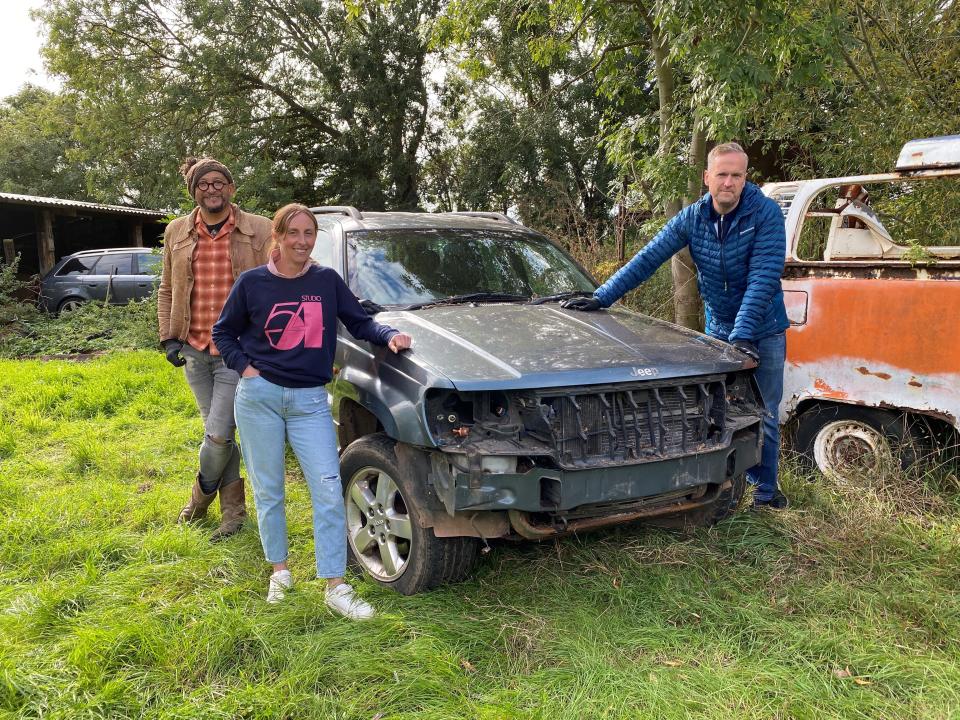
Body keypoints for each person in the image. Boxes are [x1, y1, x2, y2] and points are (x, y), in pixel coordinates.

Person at [562, 142, 790, 509]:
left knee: (762, 412)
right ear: (707, 178)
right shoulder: (693, 217)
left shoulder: (764, 214)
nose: (729, 182)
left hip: (762, 329)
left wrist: (744, 335)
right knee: (718, 410)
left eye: (737, 175)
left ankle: (766, 494)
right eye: (722, 174)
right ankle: (719, 491)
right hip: (719, 328)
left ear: (746, 178)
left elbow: (763, 276)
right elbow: (649, 256)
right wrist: (602, 297)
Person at [212, 203, 413, 617]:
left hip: (309, 402)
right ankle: (280, 574)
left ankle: (335, 586)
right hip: (259, 399)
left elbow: (358, 322)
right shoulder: (252, 283)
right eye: (294, 233)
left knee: (326, 488)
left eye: (309, 234)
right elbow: (223, 332)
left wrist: (389, 334)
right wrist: (246, 369)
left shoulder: (326, 281)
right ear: (278, 236)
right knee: (269, 491)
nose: (302, 241)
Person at [158, 157, 272, 540]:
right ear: (194, 191)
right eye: (203, 183)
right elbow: (168, 289)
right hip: (193, 348)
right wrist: (168, 337)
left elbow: (279, 281)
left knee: (219, 434)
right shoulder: (176, 231)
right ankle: (233, 515)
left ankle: (197, 503)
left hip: (236, 351)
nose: (211, 189)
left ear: (231, 188)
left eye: (218, 182)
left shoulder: (259, 229)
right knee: (216, 432)